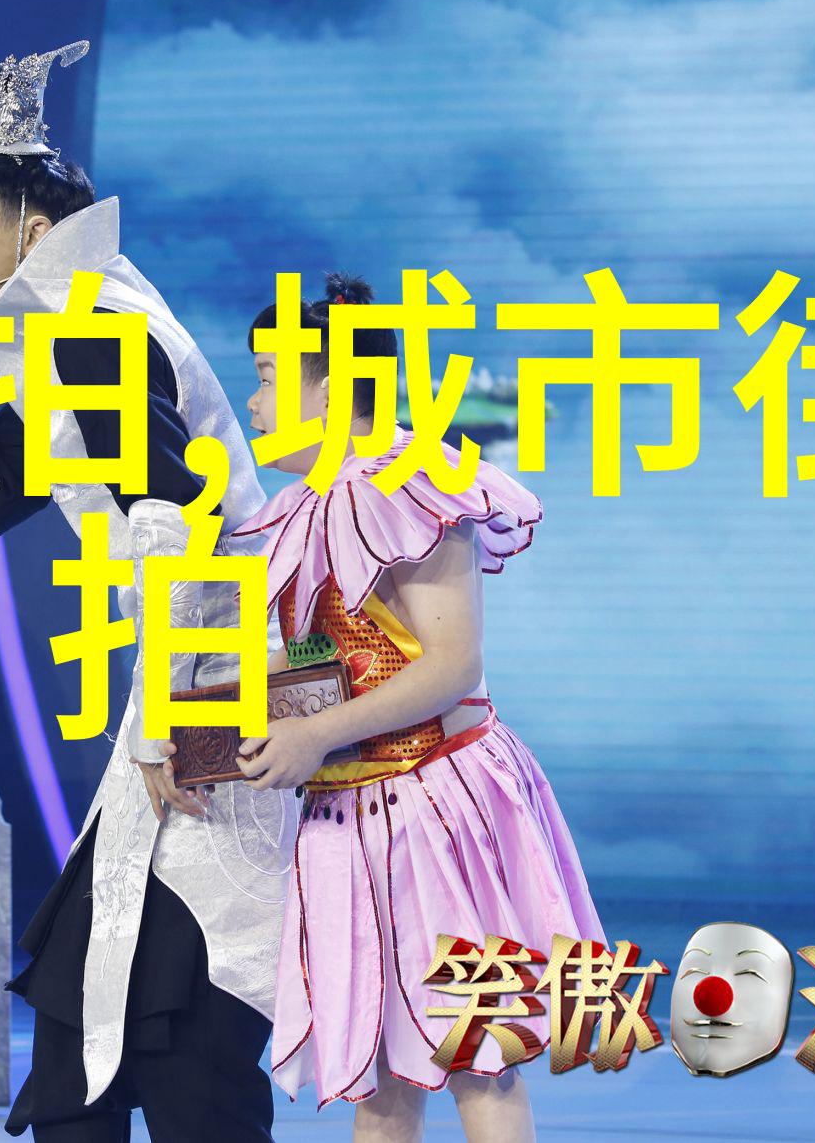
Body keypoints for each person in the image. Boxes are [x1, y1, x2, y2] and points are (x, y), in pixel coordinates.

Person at [0, 19, 296, 1140]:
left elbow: (179, 526)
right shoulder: (56, 332)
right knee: (97, 996)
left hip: (221, 678)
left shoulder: (99, 330)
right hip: (187, 676)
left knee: (181, 1000)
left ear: (34, 229)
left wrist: (177, 726)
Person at [231, 273, 605, 1143]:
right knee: (383, 1072)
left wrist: (312, 732)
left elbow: (451, 663)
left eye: (268, 376)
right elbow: (333, 656)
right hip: (352, 812)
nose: (254, 400)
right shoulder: (307, 507)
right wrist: (229, 720)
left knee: (478, 1055)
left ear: (331, 388)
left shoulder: (412, 481)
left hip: (435, 801)